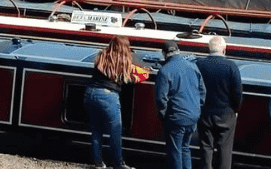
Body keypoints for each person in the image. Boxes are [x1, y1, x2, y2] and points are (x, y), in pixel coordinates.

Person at [84, 36, 148, 169]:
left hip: (91, 93)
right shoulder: (123, 61)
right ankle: (119, 164)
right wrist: (144, 74)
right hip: (108, 97)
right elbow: (137, 76)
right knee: (115, 132)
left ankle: (99, 164)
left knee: (96, 131)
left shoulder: (101, 55)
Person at [155, 39, 205, 169]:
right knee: (185, 148)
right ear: (178, 51)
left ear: (164, 53)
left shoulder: (164, 71)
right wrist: (197, 108)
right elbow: (202, 91)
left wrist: (164, 115)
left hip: (176, 116)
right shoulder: (193, 66)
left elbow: (161, 98)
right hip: (193, 115)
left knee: (175, 151)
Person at [195, 37, 242, 169]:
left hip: (205, 113)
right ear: (224, 49)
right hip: (226, 114)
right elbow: (237, 92)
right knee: (225, 149)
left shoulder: (199, 64)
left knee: (206, 148)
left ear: (209, 49)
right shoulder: (231, 66)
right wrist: (236, 109)